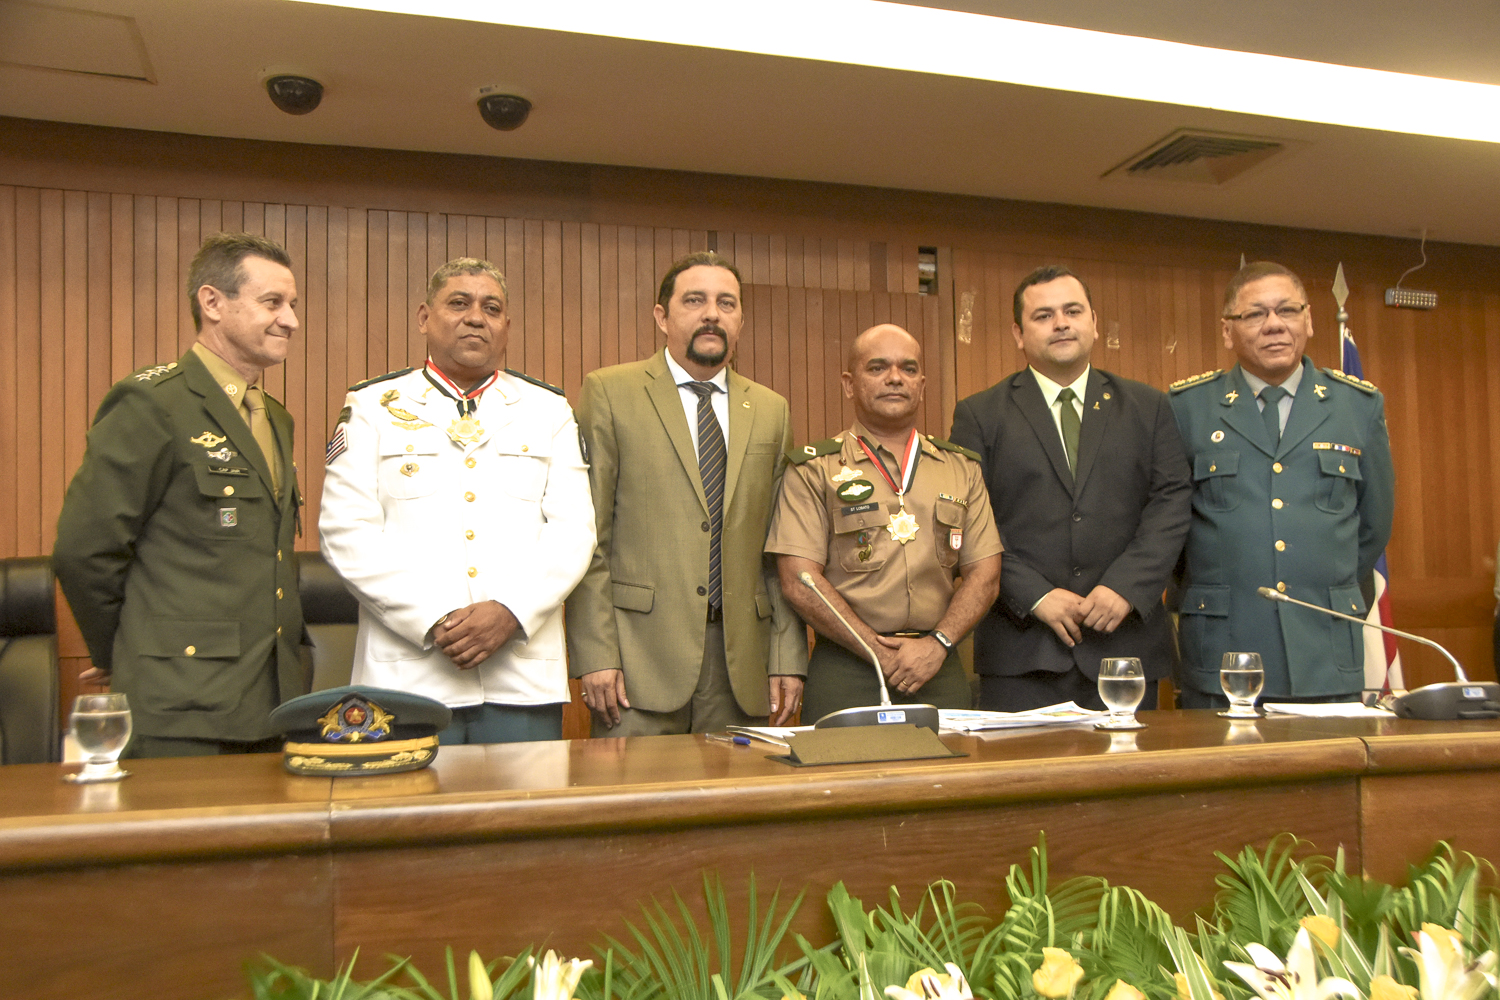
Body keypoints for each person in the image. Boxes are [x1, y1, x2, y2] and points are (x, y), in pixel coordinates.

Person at [319, 258, 595, 744]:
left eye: (491, 308)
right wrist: (434, 619)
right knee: (407, 820)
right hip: (408, 676)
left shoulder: (548, 410)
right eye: (459, 304)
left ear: (506, 327)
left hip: (522, 678)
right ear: (425, 318)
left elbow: (574, 532)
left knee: (526, 820)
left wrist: (511, 611)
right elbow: (346, 532)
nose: (475, 317)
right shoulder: (371, 407)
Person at [54, 232, 307, 757]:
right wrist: (123, 651)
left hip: (271, 698)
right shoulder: (153, 402)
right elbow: (86, 550)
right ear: (212, 302)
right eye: (272, 303)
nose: (290, 320)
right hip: (180, 706)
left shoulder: (275, 417)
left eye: (292, 305)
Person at [565, 251, 807, 735]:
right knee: (634, 806)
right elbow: (589, 537)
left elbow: (779, 547)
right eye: (694, 300)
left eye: (726, 303)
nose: (712, 314)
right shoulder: (611, 392)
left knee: (737, 807)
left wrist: (787, 655)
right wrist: (596, 653)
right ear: (662, 316)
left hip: (743, 661)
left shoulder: (770, 409)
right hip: (637, 660)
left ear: (740, 319)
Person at [949, 266, 1191, 712]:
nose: (1060, 323)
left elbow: (1171, 504)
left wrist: (1125, 586)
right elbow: (968, 520)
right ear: (1018, 334)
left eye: (1072, 311)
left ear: (1094, 323)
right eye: (1043, 316)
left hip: (1126, 648)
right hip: (1022, 650)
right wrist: (1035, 595)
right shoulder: (980, 415)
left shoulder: (1148, 406)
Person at [1170, 260, 1395, 706]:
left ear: (1309, 321)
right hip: (1222, 650)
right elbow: (1170, 529)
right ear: (1227, 331)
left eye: (1287, 311)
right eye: (1255, 314)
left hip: (1325, 651)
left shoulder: (1357, 406)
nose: (1274, 325)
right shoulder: (1187, 408)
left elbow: (1372, 527)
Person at [767, 324, 1002, 721]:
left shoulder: (961, 469)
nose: (895, 377)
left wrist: (938, 644)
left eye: (908, 369)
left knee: (947, 782)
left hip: (939, 666)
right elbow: (798, 580)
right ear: (849, 383)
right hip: (847, 666)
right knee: (842, 781)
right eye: (877, 368)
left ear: (922, 384)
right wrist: (877, 652)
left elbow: (986, 575)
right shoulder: (814, 470)